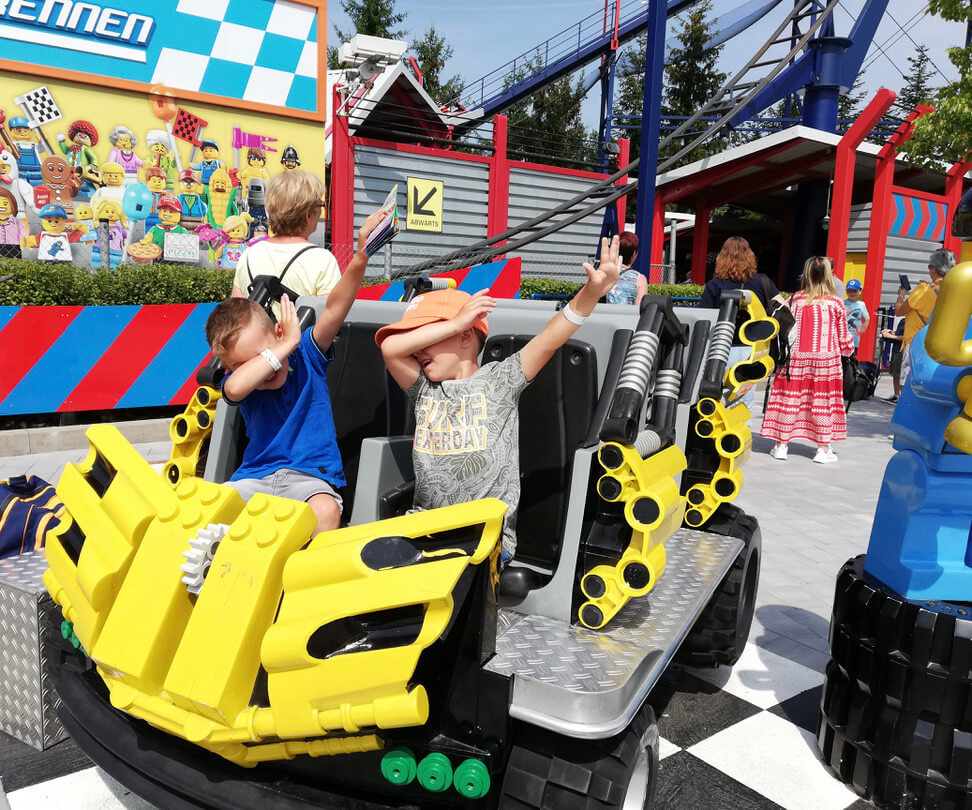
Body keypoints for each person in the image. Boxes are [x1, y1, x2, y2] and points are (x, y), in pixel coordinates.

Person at [377, 236, 622, 565]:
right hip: (424, 530)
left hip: (484, 539)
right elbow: (390, 348)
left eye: (425, 336)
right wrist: (454, 323)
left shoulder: (501, 380)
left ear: (466, 336)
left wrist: (592, 292)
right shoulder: (422, 389)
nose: (416, 349)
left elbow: (552, 337)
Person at [205, 208, 387, 535]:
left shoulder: (307, 354)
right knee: (210, 508)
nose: (260, 371)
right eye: (245, 365)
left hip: (309, 480)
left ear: (276, 334)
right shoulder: (243, 381)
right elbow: (232, 390)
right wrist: (281, 348)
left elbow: (335, 307)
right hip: (254, 478)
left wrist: (360, 256)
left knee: (326, 512)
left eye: (261, 355)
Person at [762, 256, 855, 463]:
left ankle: (781, 445)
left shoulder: (794, 300)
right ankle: (823, 449)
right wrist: (849, 351)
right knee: (822, 402)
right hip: (826, 360)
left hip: (795, 359)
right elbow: (844, 339)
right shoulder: (836, 303)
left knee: (790, 400)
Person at [231, 170, 340, 309]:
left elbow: (236, 312)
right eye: (320, 205)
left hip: (258, 331)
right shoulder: (322, 259)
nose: (321, 211)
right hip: (298, 331)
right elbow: (327, 318)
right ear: (308, 215)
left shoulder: (248, 255)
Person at [698, 236, 785, 410]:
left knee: (716, 399)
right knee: (743, 402)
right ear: (750, 256)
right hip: (751, 350)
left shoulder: (714, 284)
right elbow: (783, 307)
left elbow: (703, 317)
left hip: (721, 348)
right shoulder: (762, 282)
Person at [895, 248, 956, 382]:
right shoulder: (954, 290)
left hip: (917, 343)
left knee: (910, 384)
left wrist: (901, 295)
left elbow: (899, 311)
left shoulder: (923, 290)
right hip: (940, 345)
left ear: (934, 269)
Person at [606, 231, 648, 305]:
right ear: (634, 254)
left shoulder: (605, 273)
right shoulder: (640, 279)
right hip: (628, 316)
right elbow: (639, 309)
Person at [881, 318, 905, 403]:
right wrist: (892, 332)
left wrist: (891, 336)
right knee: (895, 374)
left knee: (900, 375)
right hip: (896, 349)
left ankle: (901, 397)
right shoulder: (903, 320)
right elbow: (899, 334)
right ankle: (896, 395)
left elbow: (907, 337)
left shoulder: (912, 322)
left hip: (902, 351)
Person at [843, 279, 869, 357]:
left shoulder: (861, 304)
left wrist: (864, 327)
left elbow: (867, 317)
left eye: (854, 291)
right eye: (849, 291)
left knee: (853, 358)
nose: (852, 293)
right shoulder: (842, 302)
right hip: (843, 337)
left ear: (859, 291)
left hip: (855, 337)